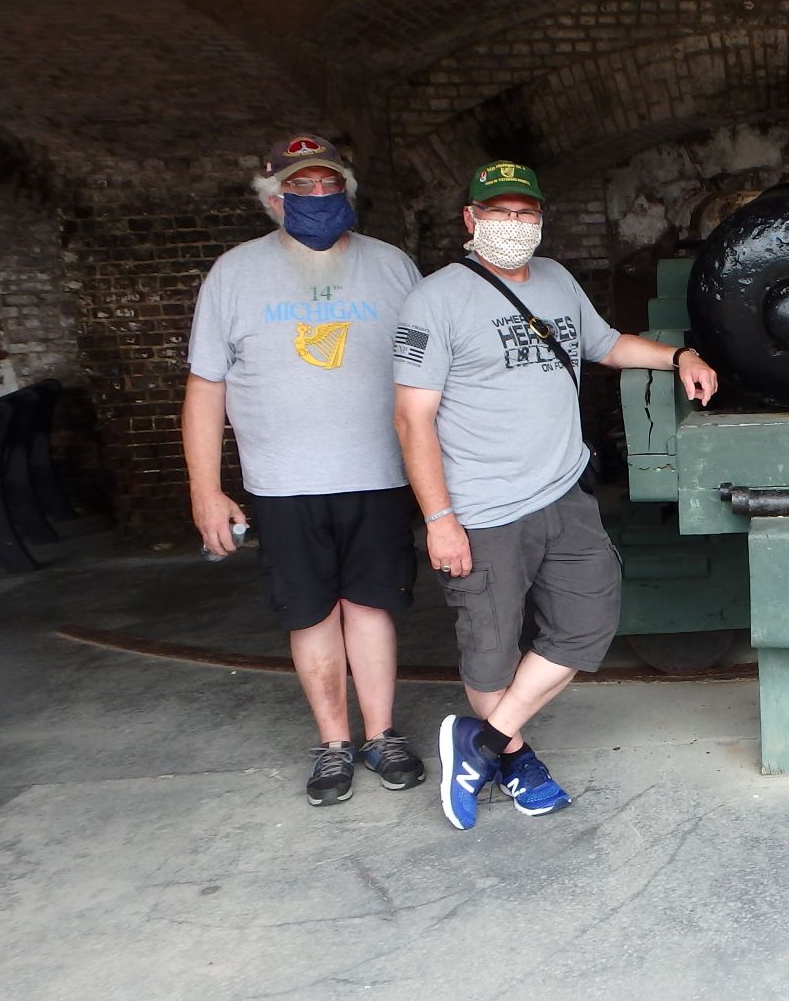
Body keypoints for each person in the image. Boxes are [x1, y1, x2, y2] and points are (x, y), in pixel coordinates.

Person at [393, 160, 717, 831]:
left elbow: (605, 345)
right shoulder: (435, 299)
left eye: (524, 213)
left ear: (540, 219)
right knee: (490, 652)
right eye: (499, 212)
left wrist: (679, 356)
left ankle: (480, 743)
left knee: (586, 624)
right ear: (470, 219)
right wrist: (439, 519)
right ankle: (515, 760)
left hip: (563, 495)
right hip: (480, 508)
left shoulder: (558, 280)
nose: (512, 225)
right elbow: (411, 417)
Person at [183, 134, 427, 807]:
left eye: (329, 186)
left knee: (372, 607)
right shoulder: (234, 274)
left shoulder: (393, 267)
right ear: (272, 200)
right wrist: (207, 491)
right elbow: (205, 388)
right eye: (301, 188)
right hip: (283, 482)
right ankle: (334, 744)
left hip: (378, 473)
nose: (317, 198)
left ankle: (381, 735)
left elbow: (430, 375)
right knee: (310, 613)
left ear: (346, 193)